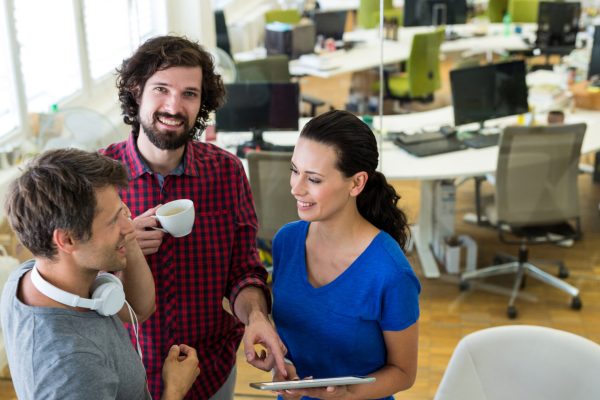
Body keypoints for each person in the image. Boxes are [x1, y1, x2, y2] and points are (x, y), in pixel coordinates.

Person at [101, 35, 286, 399]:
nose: (174, 105)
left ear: (202, 103)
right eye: (162, 89)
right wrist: (120, 245)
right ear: (137, 90)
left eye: (189, 93)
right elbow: (72, 283)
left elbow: (244, 270)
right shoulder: (98, 179)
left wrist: (257, 317)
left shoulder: (226, 172)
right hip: (124, 368)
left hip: (210, 366)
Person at [0, 148, 200, 399]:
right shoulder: (71, 369)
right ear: (68, 239)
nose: (131, 226)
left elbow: (139, 309)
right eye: (114, 220)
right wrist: (174, 390)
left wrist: (125, 235)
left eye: (124, 211)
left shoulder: (29, 274)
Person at [271, 110, 420, 399]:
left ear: (356, 183)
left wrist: (348, 394)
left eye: (313, 179)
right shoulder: (286, 242)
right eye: (294, 170)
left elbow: (404, 373)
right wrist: (283, 366)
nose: (296, 188)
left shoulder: (390, 273)